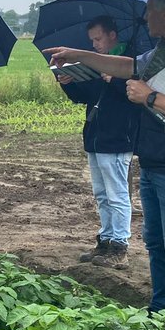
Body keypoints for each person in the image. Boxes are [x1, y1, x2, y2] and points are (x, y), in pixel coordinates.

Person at [45, 0, 165, 318]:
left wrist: (149, 97)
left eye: (148, 10)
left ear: (163, 12)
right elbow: (129, 66)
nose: (145, 17)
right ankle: (161, 310)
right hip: (158, 156)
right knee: (157, 243)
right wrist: (79, 55)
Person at [56, 15, 139, 267]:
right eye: (92, 40)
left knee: (117, 193)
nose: (95, 44)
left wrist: (113, 79)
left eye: (98, 38)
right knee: (102, 193)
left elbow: (135, 96)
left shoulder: (132, 61)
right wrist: (67, 83)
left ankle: (120, 245)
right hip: (95, 134)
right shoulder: (96, 64)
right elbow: (86, 96)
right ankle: (105, 239)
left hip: (118, 136)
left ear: (112, 35)